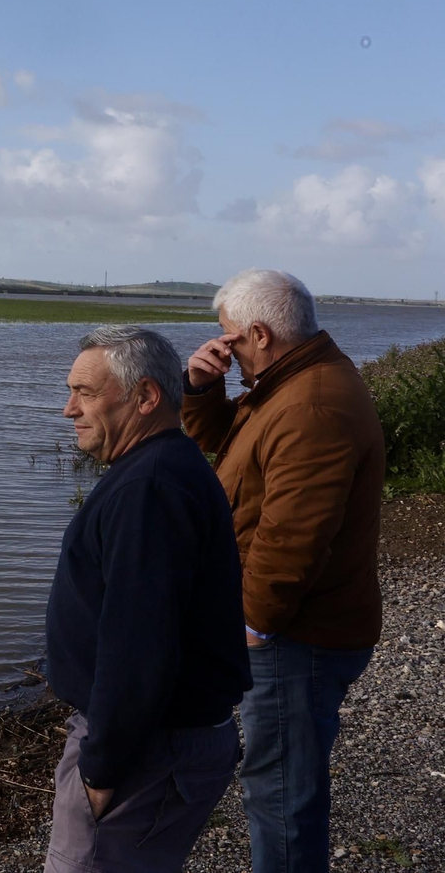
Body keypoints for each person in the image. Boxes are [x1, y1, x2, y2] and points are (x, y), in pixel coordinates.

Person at [183, 269, 384, 873]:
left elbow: (293, 537)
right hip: (299, 629)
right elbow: (227, 446)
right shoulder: (287, 384)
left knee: (279, 797)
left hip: (299, 636)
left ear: (261, 333)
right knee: (278, 788)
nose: (225, 348)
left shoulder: (312, 404)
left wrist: (252, 625)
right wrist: (199, 386)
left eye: (230, 339)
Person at [45, 325, 251, 873]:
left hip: (148, 750)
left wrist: (100, 772)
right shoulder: (163, 468)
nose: (69, 409)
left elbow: (139, 645)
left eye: (85, 393)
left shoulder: (150, 489)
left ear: (145, 397)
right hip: (159, 742)